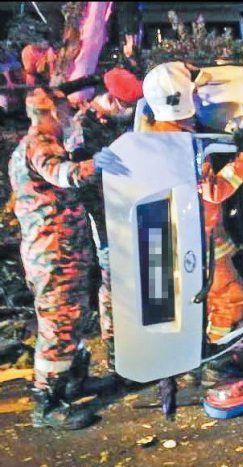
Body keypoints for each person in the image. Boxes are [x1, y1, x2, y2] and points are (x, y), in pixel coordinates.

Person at [9, 88, 129, 430]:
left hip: (57, 251)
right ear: (50, 112)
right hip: (54, 253)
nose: (68, 116)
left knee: (72, 318)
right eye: (63, 109)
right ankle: (46, 404)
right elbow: (64, 175)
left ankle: (75, 382)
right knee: (59, 323)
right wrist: (96, 164)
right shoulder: (41, 144)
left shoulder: (31, 145)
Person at [142, 62, 243, 378]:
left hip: (178, 239)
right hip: (200, 242)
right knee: (231, 300)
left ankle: (196, 356)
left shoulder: (153, 134)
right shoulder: (183, 146)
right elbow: (214, 191)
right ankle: (217, 361)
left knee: (203, 301)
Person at [61, 67, 144, 382]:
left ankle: (133, 346)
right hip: (103, 217)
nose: (130, 112)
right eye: (127, 106)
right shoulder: (82, 129)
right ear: (113, 100)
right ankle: (117, 353)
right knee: (113, 283)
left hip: (127, 208)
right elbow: (79, 178)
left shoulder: (114, 122)